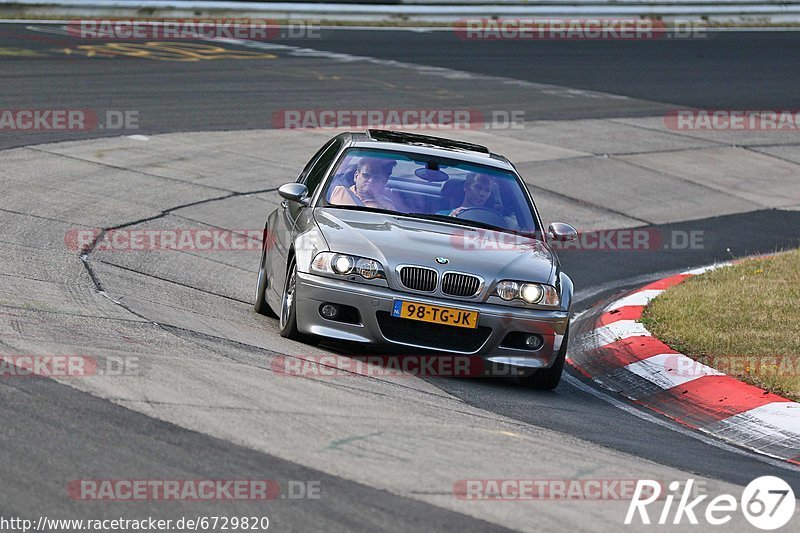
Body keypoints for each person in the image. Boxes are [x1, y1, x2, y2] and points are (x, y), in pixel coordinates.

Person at [329, 157, 396, 210]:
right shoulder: (340, 192)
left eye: (376, 178)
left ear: (383, 183)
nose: (370, 180)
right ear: (356, 176)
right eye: (366, 175)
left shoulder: (387, 205)